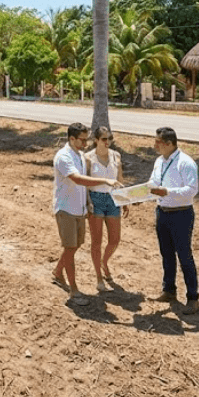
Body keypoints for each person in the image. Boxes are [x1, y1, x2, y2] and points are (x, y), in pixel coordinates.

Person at [52, 122, 121, 306]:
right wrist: (105, 180)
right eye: (82, 140)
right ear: (71, 139)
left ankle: (58, 272)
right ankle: (74, 291)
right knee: (70, 248)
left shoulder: (81, 156)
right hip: (66, 209)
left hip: (79, 209)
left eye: (86, 140)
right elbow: (77, 179)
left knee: (74, 246)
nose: (85, 144)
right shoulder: (63, 157)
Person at [147, 127, 199, 315]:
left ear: (169, 144)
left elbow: (192, 190)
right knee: (166, 253)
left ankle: (193, 298)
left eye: (158, 142)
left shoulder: (185, 163)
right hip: (162, 212)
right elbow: (153, 183)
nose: (155, 145)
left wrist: (168, 192)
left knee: (184, 255)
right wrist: (138, 196)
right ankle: (169, 290)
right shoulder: (159, 161)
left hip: (181, 214)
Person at [85, 127, 127, 292]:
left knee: (115, 239)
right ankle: (98, 277)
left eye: (109, 138)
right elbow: (85, 183)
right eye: (104, 139)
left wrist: (125, 200)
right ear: (96, 140)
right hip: (96, 199)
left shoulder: (116, 156)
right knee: (96, 241)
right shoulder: (88, 158)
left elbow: (120, 180)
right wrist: (88, 202)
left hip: (113, 199)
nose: (107, 142)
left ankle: (104, 262)